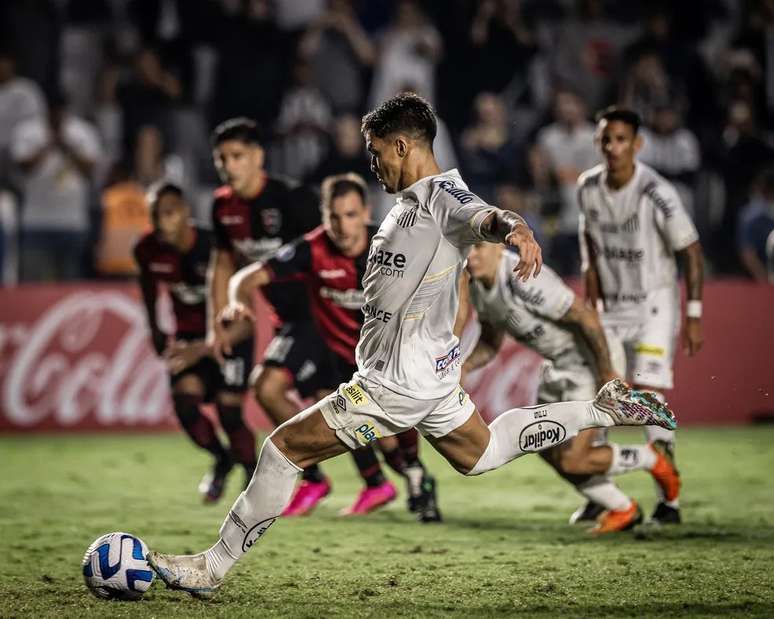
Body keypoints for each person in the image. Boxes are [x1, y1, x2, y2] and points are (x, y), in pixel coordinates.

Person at [147, 93, 676, 596]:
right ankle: (598, 410)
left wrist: (517, 230)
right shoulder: (407, 203)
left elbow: (487, 216)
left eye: (377, 153)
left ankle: (211, 567)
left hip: (393, 385)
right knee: (483, 452)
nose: (373, 164)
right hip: (431, 376)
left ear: (403, 146)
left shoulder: (445, 196)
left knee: (282, 449)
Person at [207, 118, 397, 516]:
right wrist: (225, 310)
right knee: (326, 398)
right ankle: (374, 482)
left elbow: (332, 249)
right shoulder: (222, 206)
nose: (228, 165)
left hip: (315, 316)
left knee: (268, 387)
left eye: (237, 156)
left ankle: (313, 478)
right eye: (221, 158)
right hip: (286, 319)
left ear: (258, 157)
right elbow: (224, 263)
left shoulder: (294, 200)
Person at [226, 172, 440, 521]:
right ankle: (395, 481)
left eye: (352, 215)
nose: (343, 226)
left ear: (367, 212)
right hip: (341, 360)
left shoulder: (390, 246)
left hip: (386, 359)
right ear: (323, 216)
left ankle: (416, 478)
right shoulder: (312, 248)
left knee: (391, 441)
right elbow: (248, 276)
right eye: (334, 216)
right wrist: (236, 300)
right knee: (360, 429)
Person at [462, 243, 679, 533]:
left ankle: (652, 459)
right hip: (559, 366)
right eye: (467, 248)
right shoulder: (479, 287)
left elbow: (584, 315)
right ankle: (621, 508)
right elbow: (490, 342)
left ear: (499, 247)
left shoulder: (523, 278)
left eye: (478, 246)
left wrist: (607, 373)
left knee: (574, 459)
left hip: (588, 363)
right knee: (541, 443)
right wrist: (461, 368)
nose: (471, 255)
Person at [578, 106, 704, 525]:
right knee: (602, 395)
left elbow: (691, 250)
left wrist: (694, 314)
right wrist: (589, 270)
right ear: (599, 143)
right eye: (606, 140)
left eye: (620, 139)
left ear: (637, 144)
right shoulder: (588, 187)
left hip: (654, 305)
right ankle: (600, 491)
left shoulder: (657, 192)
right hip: (612, 309)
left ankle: (670, 499)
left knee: (649, 398)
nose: (612, 147)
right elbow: (587, 232)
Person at [133, 182, 255, 502]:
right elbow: (147, 283)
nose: (162, 222)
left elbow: (244, 323)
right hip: (188, 338)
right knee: (185, 403)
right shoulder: (147, 249)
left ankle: (254, 475)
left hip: (230, 338)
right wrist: (155, 327)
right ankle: (222, 459)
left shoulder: (217, 249)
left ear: (186, 212)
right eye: (156, 215)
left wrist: (198, 349)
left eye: (170, 213)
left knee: (230, 414)